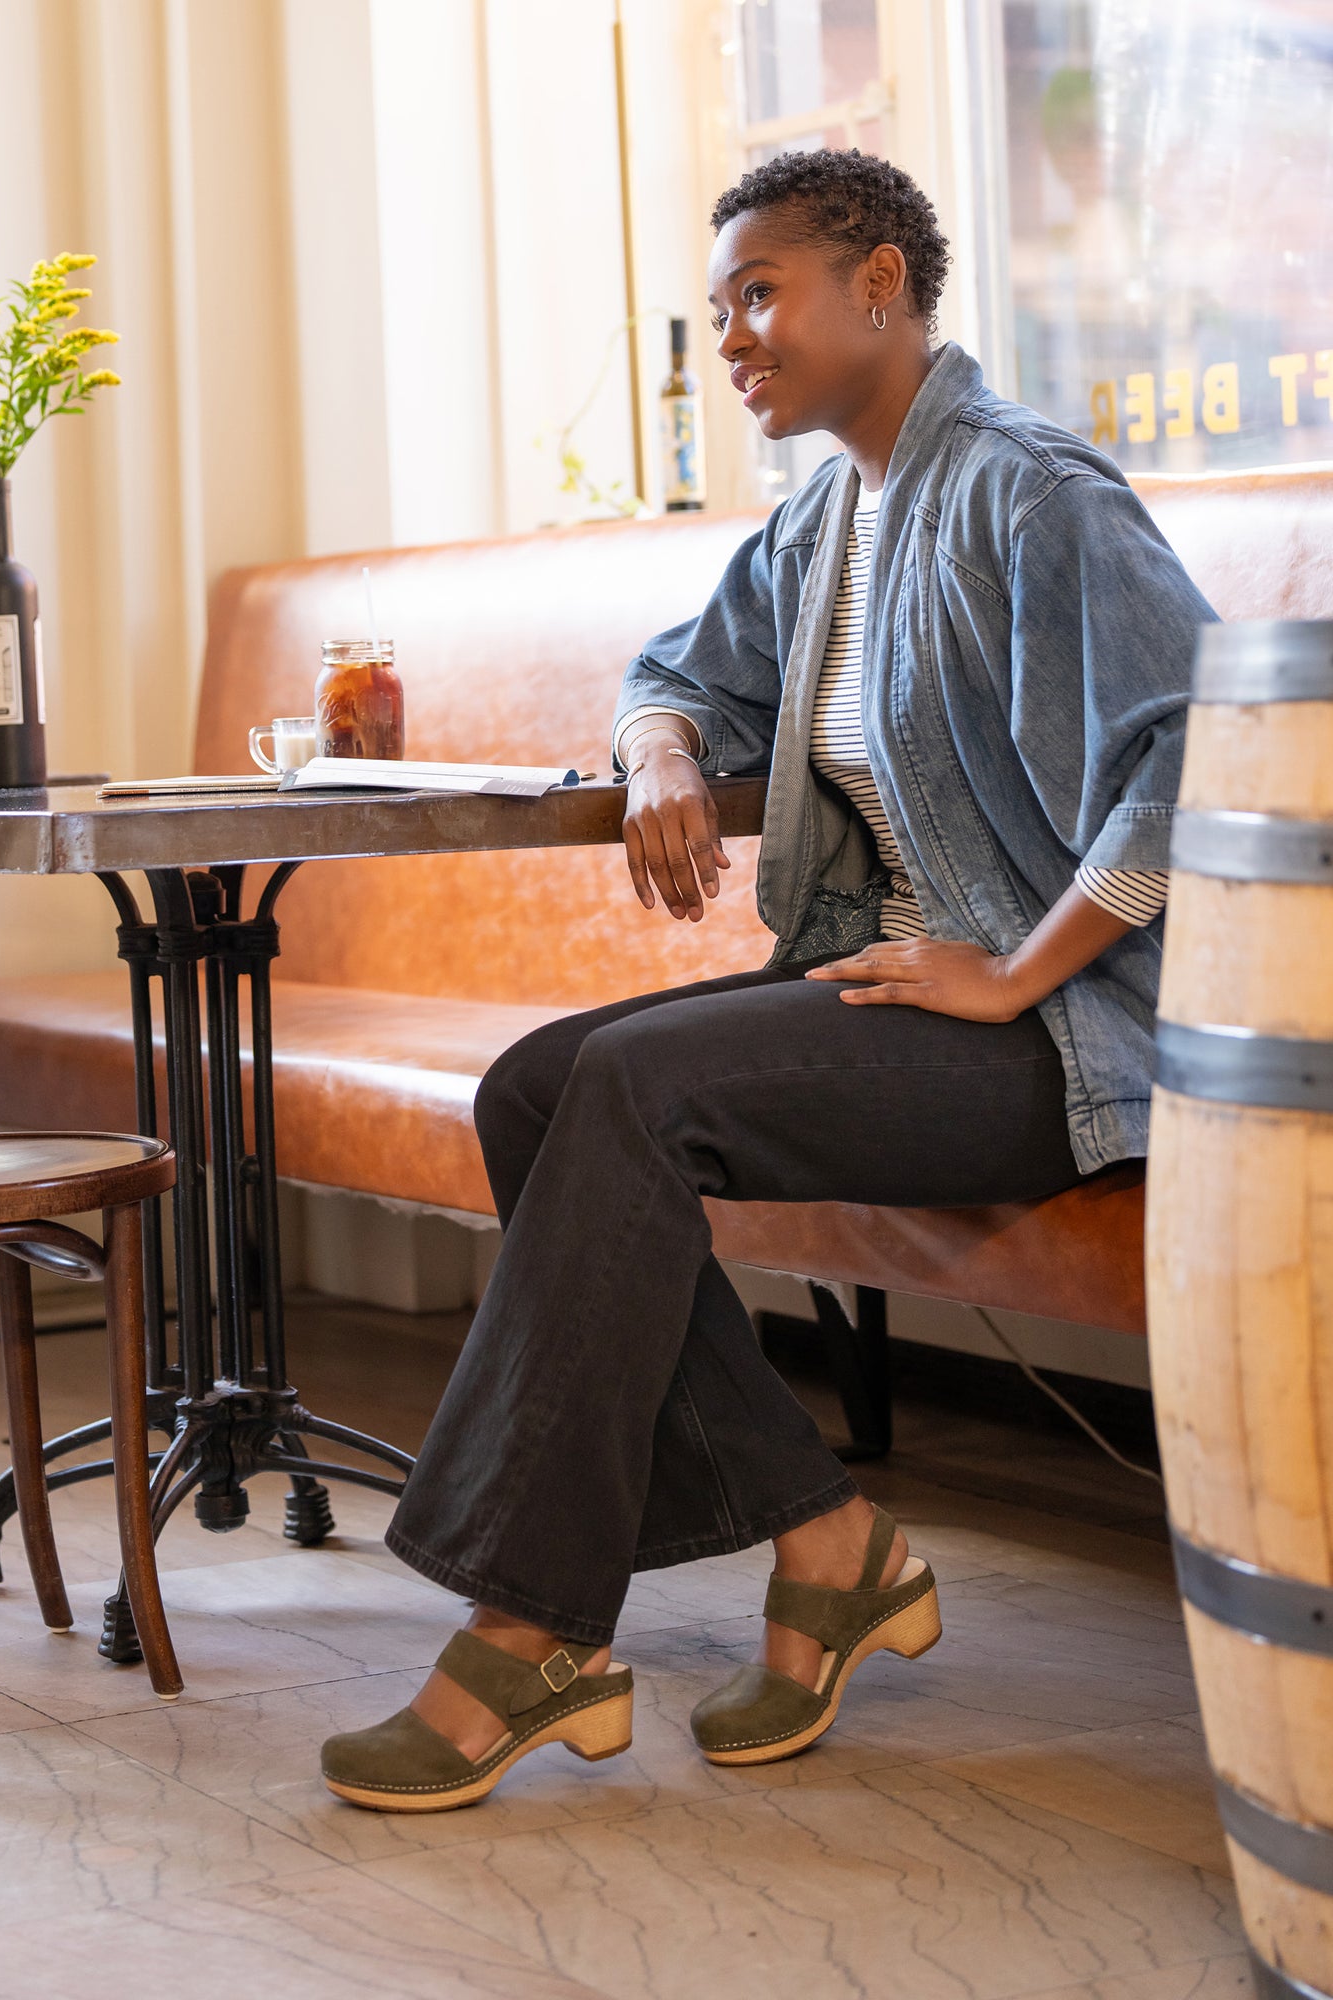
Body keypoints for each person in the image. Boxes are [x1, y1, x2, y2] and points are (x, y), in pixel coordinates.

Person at [319, 149, 1213, 1814]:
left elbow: (1196, 760)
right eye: (718, 305)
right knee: (536, 1085)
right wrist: (661, 748)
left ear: (879, 284)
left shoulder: (1033, 491)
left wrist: (1018, 971)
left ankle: (533, 1633)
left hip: (1060, 1038)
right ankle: (825, 1541)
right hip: (895, 990)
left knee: (638, 1095)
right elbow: (679, 673)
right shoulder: (831, 510)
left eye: (759, 294)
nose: (732, 335)